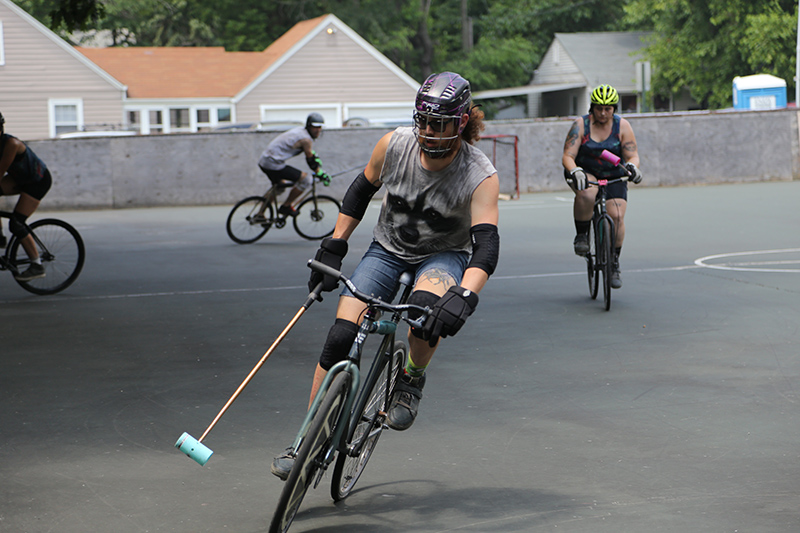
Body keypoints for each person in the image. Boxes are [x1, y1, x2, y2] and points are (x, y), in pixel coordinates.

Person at [271, 72, 500, 480]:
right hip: (387, 250)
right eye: (424, 121)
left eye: (440, 123)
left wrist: (466, 294)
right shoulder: (394, 145)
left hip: (442, 255)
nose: (429, 131)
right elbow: (361, 190)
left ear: (460, 122)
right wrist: (335, 244)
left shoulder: (479, 173)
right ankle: (304, 440)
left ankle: (411, 379)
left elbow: (485, 244)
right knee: (340, 337)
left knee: (427, 315)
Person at [561, 84, 642, 289]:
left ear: (614, 108)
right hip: (585, 172)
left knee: (616, 215)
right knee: (588, 193)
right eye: (599, 108)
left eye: (608, 109)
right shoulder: (581, 125)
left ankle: (614, 262)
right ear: (592, 108)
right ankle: (582, 234)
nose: (603, 113)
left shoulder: (622, 126)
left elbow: (632, 154)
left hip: (614, 174)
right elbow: (568, 156)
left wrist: (633, 167)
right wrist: (575, 170)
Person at [0, 112, 53, 281]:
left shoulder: (11, 144)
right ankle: (0, 236)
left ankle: (36, 265)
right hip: (20, 178)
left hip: (38, 181)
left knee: (16, 224)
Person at [257, 112, 329, 218]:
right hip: (273, 164)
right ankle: (286, 206)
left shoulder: (301, 132)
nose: (318, 130)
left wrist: (314, 157)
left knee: (279, 187)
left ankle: (260, 214)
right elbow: (310, 160)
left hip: (265, 161)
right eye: (315, 127)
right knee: (306, 180)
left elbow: (309, 153)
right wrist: (320, 173)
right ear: (309, 126)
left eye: (319, 127)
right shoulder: (306, 139)